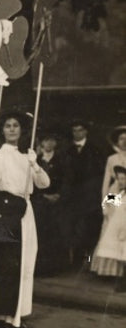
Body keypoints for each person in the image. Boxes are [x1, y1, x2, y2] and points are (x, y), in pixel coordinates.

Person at [0, 111, 50, 328]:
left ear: (22, 130)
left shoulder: (26, 156)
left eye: (16, 126)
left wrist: (34, 165)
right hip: (7, 212)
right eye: (8, 126)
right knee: (7, 263)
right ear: (2, 130)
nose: (12, 129)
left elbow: (44, 184)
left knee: (25, 262)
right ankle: (0, 319)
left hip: (26, 211)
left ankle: (18, 315)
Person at [59, 118, 105, 271]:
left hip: (90, 198)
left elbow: (100, 176)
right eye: (74, 130)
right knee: (73, 231)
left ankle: (87, 262)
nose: (77, 133)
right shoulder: (67, 150)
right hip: (72, 198)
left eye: (80, 130)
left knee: (88, 231)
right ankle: (73, 263)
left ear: (86, 131)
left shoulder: (95, 150)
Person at [31, 129, 67, 276]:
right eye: (46, 140)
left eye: (52, 140)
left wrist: (59, 195)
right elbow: (32, 182)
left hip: (56, 203)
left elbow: (67, 180)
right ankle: (38, 269)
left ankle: (52, 269)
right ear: (41, 143)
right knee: (40, 234)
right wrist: (44, 196)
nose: (49, 143)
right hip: (40, 203)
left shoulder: (61, 160)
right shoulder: (36, 161)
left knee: (53, 235)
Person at [91, 165, 126, 284]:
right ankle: (108, 271)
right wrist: (108, 213)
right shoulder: (117, 191)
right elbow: (107, 202)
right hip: (114, 222)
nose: (121, 182)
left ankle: (120, 274)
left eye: (123, 179)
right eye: (119, 179)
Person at [101, 125, 126, 200]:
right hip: (116, 193)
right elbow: (106, 182)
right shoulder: (112, 159)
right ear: (117, 142)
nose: (125, 141)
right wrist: (104, 202)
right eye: (121, 139)